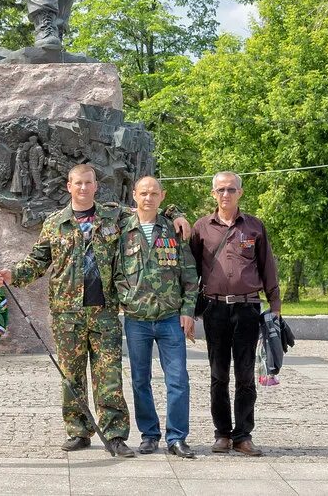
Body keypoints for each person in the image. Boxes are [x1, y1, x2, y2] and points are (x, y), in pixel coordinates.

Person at [0, 164, 191, 454]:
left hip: (104, 312)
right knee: (71, 375)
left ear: (96, 186)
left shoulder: (114, 215)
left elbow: (148, 205)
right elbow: (38, 260)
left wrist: (177, 214)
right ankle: (78, 431)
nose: (83, 188)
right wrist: (13, 274)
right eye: (78, 184)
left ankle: (114, 434)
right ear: (69, 187)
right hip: (67, 312)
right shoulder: (55, 223)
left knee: (108, 376)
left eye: (88, 183)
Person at [189, 171, 280, 457]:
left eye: (230, 189)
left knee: (245, 376)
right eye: (220, 190)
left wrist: (275, 306)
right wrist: (189, 313)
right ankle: (222, 434)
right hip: (214, 308)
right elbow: (190, 273)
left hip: (247, 308)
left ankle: (243, 435)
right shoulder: (201, 227)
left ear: (240, 192)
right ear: (213, 193)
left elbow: (267, 266)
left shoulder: (254, 227)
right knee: (218, 376)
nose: (225, 194)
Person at [114, 176, 199, 459]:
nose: (148, 198)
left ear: (162, 196)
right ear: (134, 196)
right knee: (140, 380)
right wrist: (125, 299)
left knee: (177, 379)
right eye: (143, 193)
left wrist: (188, 312)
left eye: (154, 193)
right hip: (137, 318)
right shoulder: (122, 228)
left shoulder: (174, 230)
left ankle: (177, 437)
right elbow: (115, 271)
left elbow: (189, 276)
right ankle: (149, 435)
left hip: (170, 319)